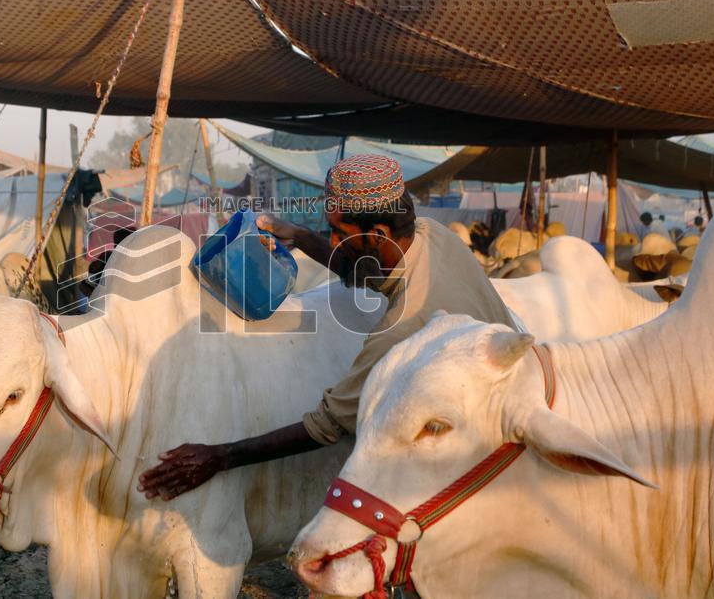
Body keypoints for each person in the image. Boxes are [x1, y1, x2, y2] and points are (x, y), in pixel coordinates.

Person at [137, 154, 516, 501]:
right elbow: (368, 273)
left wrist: (221, 456)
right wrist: (302, 237)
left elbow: (329, 423)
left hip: (486, 459)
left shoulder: (401, 330)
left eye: (339, 232)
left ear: (381, 234)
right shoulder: (431, 235)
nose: (333, 241)